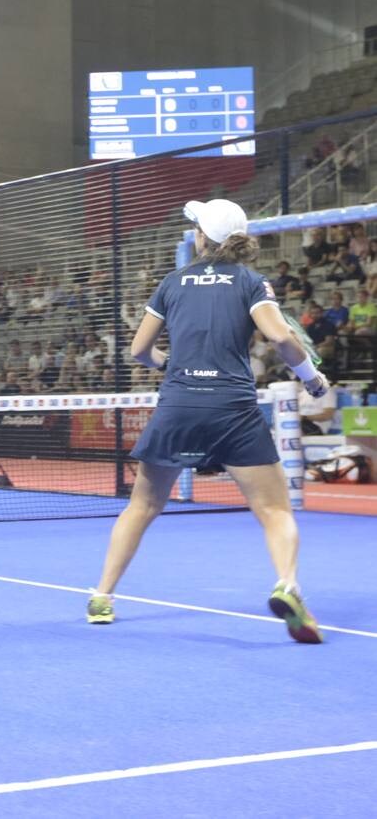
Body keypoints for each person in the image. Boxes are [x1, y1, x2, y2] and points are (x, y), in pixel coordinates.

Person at [88, 199, 326, 643]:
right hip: (232, 410)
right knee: (274, 510)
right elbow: (280, 338)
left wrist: (172, 368)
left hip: (177, 406)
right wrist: (310, 378)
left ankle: (102, 597)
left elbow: (139, 351)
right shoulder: (252, 283)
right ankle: (287, 585)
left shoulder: (172, 282)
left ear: (201, 237)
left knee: (141, 507)